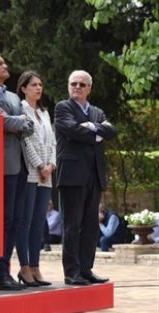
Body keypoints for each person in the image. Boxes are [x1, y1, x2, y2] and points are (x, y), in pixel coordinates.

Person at [0, 50, 34, 291]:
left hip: (20, 163)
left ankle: (3, 269)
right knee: (5, 219)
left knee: (15, 219)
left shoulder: (11, 95)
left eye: (4, 62)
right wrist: (19, 120)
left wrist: (17, 121)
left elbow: (25, 124)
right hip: (2, 164)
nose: (5, 66)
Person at [55, 70, 117, 285]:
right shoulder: (63, 108)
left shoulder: (97, 111)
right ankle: (72, 272)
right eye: (74, 83)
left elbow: (112, 131)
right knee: (72, 225)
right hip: (72, 174)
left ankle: (86, 269)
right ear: (68, 86)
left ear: (89, 88)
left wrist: (90, 127)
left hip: (94, 173)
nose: (77, 87)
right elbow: (72, 130)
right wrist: (98, 133)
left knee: (90, 225)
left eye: (82, 84)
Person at [17, 71, 56, 287]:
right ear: (23, 88)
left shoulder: (44, 113)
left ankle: (35, 266)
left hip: (47, 174)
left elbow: (52, 142)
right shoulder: (21, 110)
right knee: (26, 221)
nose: (38, 88)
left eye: (40, 84)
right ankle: (24, 267)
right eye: (33, 85)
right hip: (31, 173)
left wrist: (50, 165)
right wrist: (40, 165)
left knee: (39, 221)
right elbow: (25, 142)